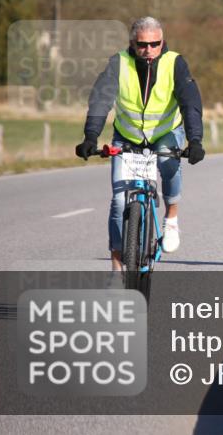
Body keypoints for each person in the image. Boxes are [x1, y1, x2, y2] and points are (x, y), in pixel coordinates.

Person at [75, 17, 205, 271]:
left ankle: (171, 219)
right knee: (120, 202)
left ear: (162, 42)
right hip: (127, 136)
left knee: (168, 163)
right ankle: (116, 269)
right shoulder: (119, 63)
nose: (149, 50)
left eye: (155, 44)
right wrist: (91, 136)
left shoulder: (174, 63)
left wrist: (195, 140)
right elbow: (100, 101)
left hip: (166, 132)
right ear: (132, 43)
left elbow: (190, 103)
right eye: (142, 45)